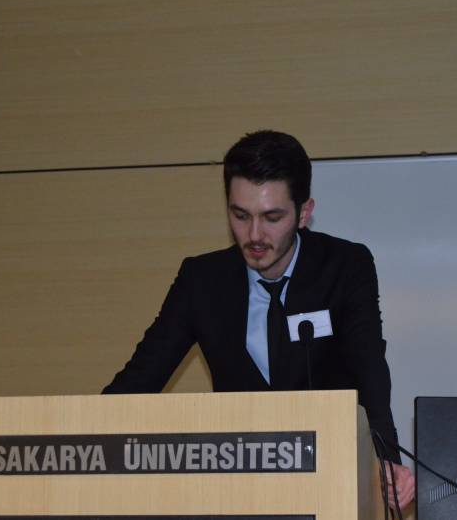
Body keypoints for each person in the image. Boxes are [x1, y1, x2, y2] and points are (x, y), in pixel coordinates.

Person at [102, 129, 415, 510]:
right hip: (239, 489)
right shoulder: (202, 281)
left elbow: (370, 371)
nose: (254, 235)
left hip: (331, 480)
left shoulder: (345, 267)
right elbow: (139, 380)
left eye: (272, 217)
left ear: (304, 213)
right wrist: (80, 440)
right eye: (240, 216)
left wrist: (386, 460)